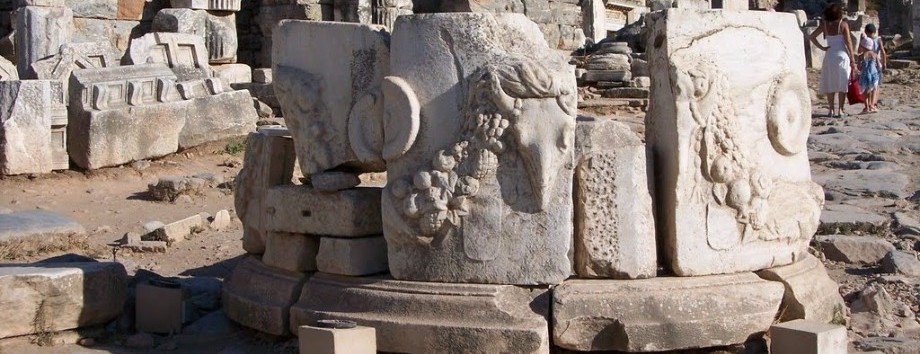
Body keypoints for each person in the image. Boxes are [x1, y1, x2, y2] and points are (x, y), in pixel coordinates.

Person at [809, 3, 858, 118]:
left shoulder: (824, 25)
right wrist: (852, 58)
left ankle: (831, 109)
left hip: (829, 55)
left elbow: (812, 36)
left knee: (830, 82)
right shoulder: (843, 24)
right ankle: (840, 110)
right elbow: (848, 42)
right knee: (842, 83)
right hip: (841, 55)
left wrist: (822, 48)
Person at [857, 23, 886, 113]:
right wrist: (883, 63)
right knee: (875, 87)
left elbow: (858, 60)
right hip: (874, 71)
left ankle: (867, 106)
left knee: (866, 89)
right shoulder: (876, 48)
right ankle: (873, 104)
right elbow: (883, 53)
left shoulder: (862, 54)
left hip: (864, 73)